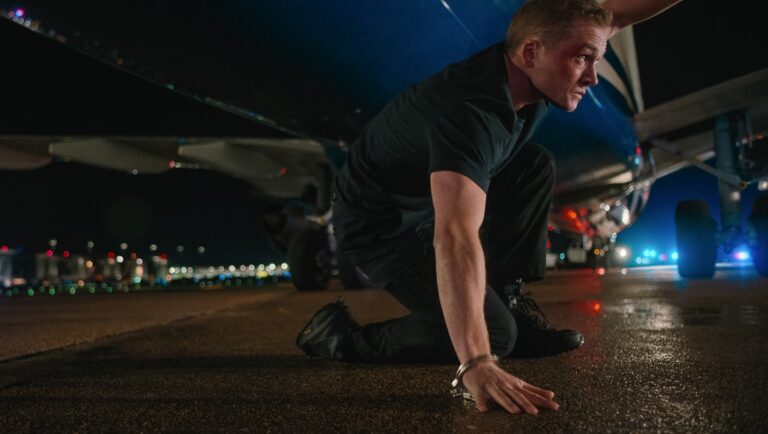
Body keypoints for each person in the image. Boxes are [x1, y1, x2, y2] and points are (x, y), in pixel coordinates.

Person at [296, 0, 681, 415]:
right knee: (494, 336)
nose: (591, 76)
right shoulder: (470, 111)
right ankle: (345, 339)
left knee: (534, 164)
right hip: (382, 226)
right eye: (584, 59)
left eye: (596, 59)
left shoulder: (533, 65)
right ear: (532, 53)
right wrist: (476, 362)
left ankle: (509, 300)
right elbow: (456, 236)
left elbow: (614, 16)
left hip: (419, 200)